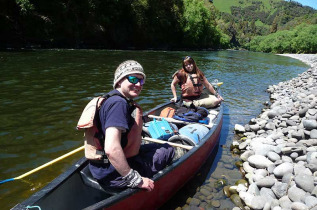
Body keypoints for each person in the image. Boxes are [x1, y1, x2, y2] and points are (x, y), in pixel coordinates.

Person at [89, 60, 175, 191]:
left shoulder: (110, 99)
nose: (138, 84)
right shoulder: (119, 104)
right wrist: (135, 179)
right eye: (133, 79)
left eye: (141, 81)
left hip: (100, 168)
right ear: (119, 81)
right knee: (168, 150)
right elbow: (111, 149)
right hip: (114, 176)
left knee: (157, 146)